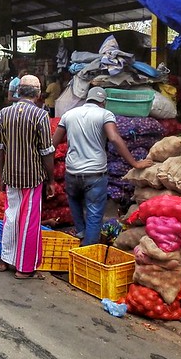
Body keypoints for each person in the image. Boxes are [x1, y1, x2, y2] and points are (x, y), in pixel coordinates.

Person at [52, 87, 154, 246]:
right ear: (103, 102)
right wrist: (134, 162)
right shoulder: (105, 114)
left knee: (74, 201)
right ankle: (88, 252)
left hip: (72, 172)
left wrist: (48, 174)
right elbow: (113, 138)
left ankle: (80, 233)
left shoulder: (69, 114)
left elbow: (53, 144)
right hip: (95, 173)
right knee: (94, 213)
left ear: (87, 98)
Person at [0, 74, 55, 280]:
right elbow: (47, 151)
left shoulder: (4, 114)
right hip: (32, 177)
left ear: (18, 92)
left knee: (11, 216)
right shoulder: (40, 116)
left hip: (11, 175)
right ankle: (24, 267)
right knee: (29, 221)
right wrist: (51, 179)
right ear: (38, 94)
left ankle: (5, 259)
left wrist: (2, 174)